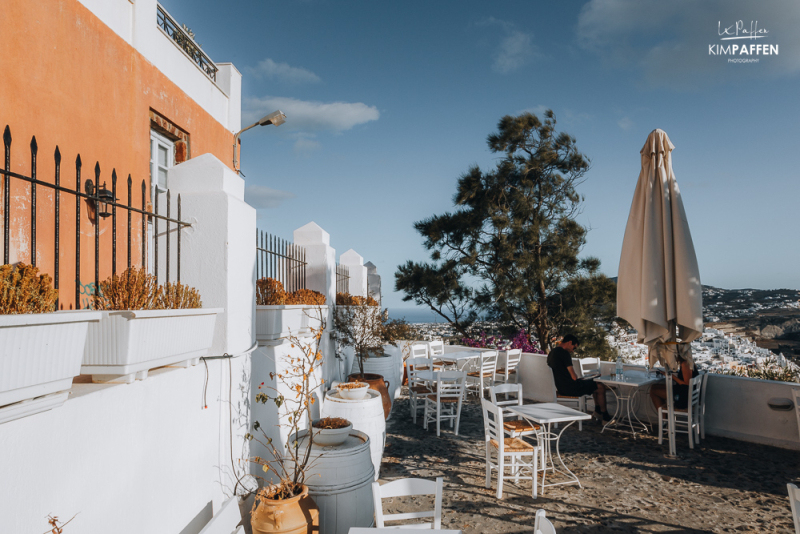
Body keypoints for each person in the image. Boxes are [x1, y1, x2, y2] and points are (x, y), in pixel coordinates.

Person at [547, 334, 610, 421]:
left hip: (561, 387)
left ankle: (598, 412)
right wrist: (578, 378)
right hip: (571, 388)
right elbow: (573, 377)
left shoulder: (552, 353)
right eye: (574, 347)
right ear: (569, 342)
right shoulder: (564, 354)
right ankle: (605, 416)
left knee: (593, 385)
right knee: (600, 386)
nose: (573, 351)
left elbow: (562, 373)